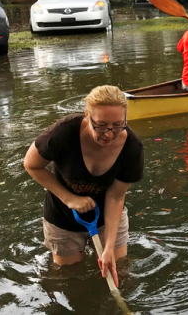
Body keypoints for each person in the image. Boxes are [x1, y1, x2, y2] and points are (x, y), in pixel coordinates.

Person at [23, 85, 143, 287]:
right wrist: (69, 198)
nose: (109, 134)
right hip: (62, 214)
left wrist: (108, 248)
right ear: (87, 116)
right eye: (101, 125)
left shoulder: (132, 147)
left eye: (117, 125)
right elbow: (31, 165)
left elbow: (115, 197)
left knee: (118, 269)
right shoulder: (63, 132)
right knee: (69, 277)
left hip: (107, 216)